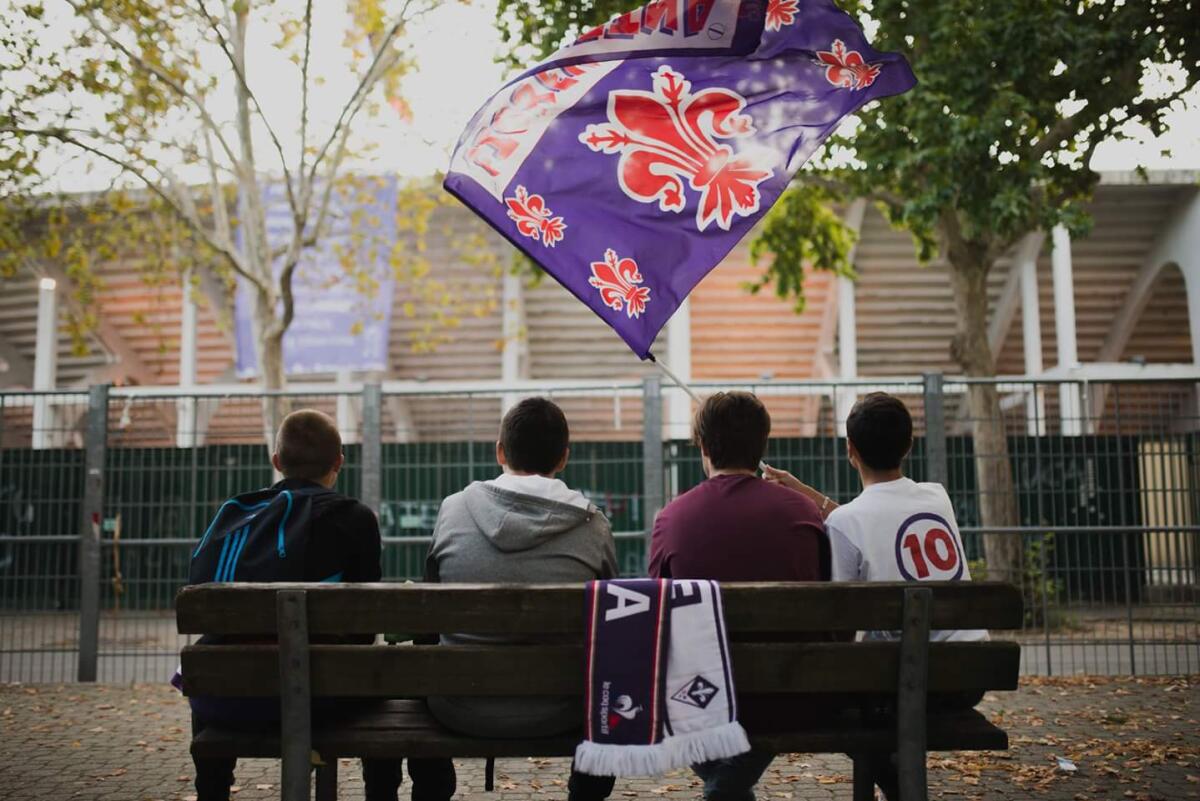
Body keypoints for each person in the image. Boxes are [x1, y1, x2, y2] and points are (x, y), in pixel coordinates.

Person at [188, 409, 455, 801]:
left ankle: (212, 791)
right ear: (339, 462)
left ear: (276, 461)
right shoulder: (355, 519)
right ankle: (381, 793)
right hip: (326, 698)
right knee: (386, 675)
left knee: (210, 656)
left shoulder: (235, 516)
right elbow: (365, 629)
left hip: (226, 698)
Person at [763, 392, 986, 800]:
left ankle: (900, 791)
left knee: (841, 709)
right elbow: (872, 517)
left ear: (850, 450)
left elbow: (840, 621)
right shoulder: (936, 496)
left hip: (904, 683)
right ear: (909, 444)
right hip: (970, 672)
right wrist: (805, 492)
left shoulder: (847, 523)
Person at [425, 397, 619, 801]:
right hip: (562, 707)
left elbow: (428, 611)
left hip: (458, 703)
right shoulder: (593, 525)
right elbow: (611, 622)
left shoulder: (452, 510)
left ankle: (432, 789)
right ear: (563, 458)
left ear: (500, 451)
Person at [648, 391, 831, 801]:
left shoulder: (671, 518)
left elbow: (658, 614)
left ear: (702, 446)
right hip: (795, 692)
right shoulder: (802, 511)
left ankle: (722, 788)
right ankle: (726, 789)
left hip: (699, 698)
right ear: (762, 445)